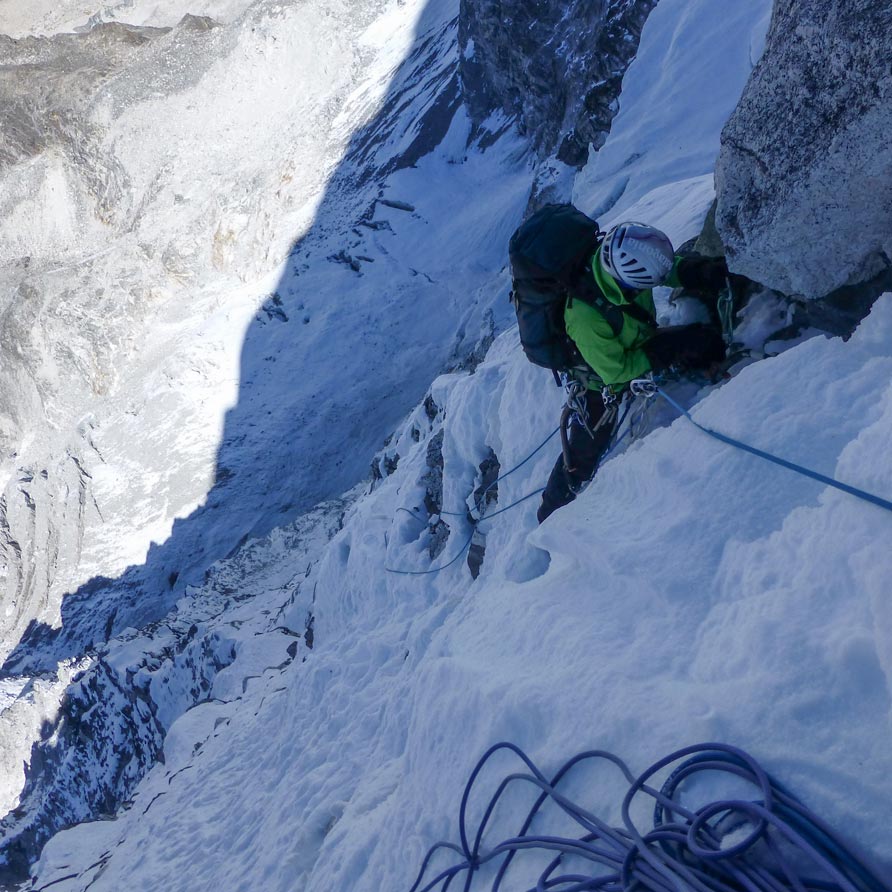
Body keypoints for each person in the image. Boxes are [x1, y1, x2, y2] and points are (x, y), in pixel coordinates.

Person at [536, 221, 735, 523]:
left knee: (701, 341)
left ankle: (710, 369)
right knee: (584, 453)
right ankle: (551, 512)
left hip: (636, 342)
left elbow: (665, 271)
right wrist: (663, 352)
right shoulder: (586, 317)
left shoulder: (623, 263)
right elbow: (617, 373)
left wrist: (700, 272)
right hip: (599, 381)